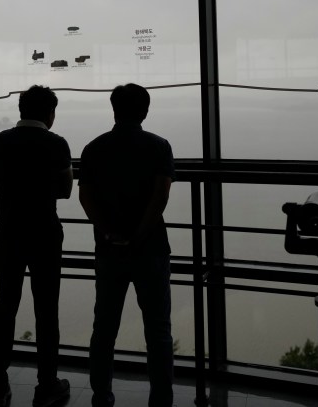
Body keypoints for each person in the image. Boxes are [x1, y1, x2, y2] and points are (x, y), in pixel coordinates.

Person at [79, 84, 175, 407]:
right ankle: (161, 399)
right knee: (158, 331)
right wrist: (138, 235)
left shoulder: (93, 149)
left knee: (104, 328)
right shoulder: (159, 147)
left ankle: (101, 396)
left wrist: (109, 234)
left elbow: (85, 197)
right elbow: (160, 197)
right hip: (151, 249)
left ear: (113, 109)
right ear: (144, 112)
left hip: (109, 251)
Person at [0, 85, 73, 407]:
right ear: (50, 113)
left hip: (8, 230)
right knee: (46, 309)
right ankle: (47, 382)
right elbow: (65, 190)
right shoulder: (56, 144)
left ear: (22, 110)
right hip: (44, 232)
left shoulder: (0, 141)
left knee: (5, 305)